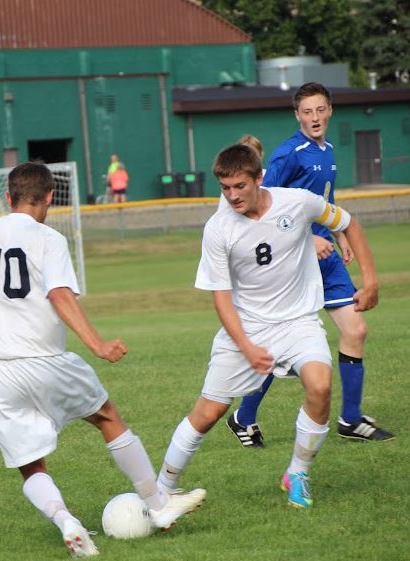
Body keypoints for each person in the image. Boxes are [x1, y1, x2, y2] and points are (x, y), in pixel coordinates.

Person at [0, 162, 205, 558]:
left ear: (9, 197)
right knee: (106, 416)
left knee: (31, 464)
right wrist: (98, 345)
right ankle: (159, 506)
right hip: (43, 359)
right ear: (50, 198)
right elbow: (59, 295)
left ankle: (65, 521)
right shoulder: (48, 239)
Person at [156, 144, 379, 509]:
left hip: (298, 322)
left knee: (320, 386)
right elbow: (221, 299)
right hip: (246, 327)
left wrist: (370, 281)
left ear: (259, 179)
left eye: (240, 186)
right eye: (225, 188)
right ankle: (162, 488)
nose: (232, 196)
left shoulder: (298, 202)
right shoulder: (217, 229)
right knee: (208, 413)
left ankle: (298, 473)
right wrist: (245, 345)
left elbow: (348, 222)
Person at [226, 82, 394, 447]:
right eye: (307, 112)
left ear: (330, 110)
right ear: (297, 115)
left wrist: (341, 235)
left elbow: (324, 203)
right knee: (279, 344)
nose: (314, 117)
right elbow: (263, 209)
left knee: (356, 330)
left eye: (320, 110)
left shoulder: (328, 150)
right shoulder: (289, 154)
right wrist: (307, 239)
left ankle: (350, 419)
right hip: (295, 258)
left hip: (326, 256)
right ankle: (243, 416)